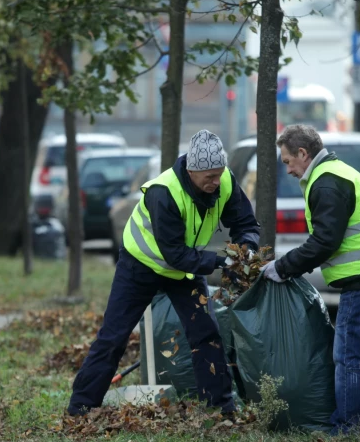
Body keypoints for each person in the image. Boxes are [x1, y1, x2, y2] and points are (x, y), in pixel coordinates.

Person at [67, 129, 261, 416]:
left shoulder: (225, 181)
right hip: (140, 267)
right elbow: (175, 254)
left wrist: (247, 251)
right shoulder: (164, 192)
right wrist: (222, 263)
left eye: (219, 174)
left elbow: (246, 222)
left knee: (207, 334)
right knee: (113, 337)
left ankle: (221, 410)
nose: (215, 181)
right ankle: (80, 408)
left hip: (184, 271)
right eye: (209, 176)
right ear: (192, 170)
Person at [260, 124, 360, 434]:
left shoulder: (325, 183)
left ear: (303, 153)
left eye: (287, 161)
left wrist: (283, 267)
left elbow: (325, 241)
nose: (288, 170)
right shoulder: (340, 172)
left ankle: (350, 428)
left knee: (348, 358)